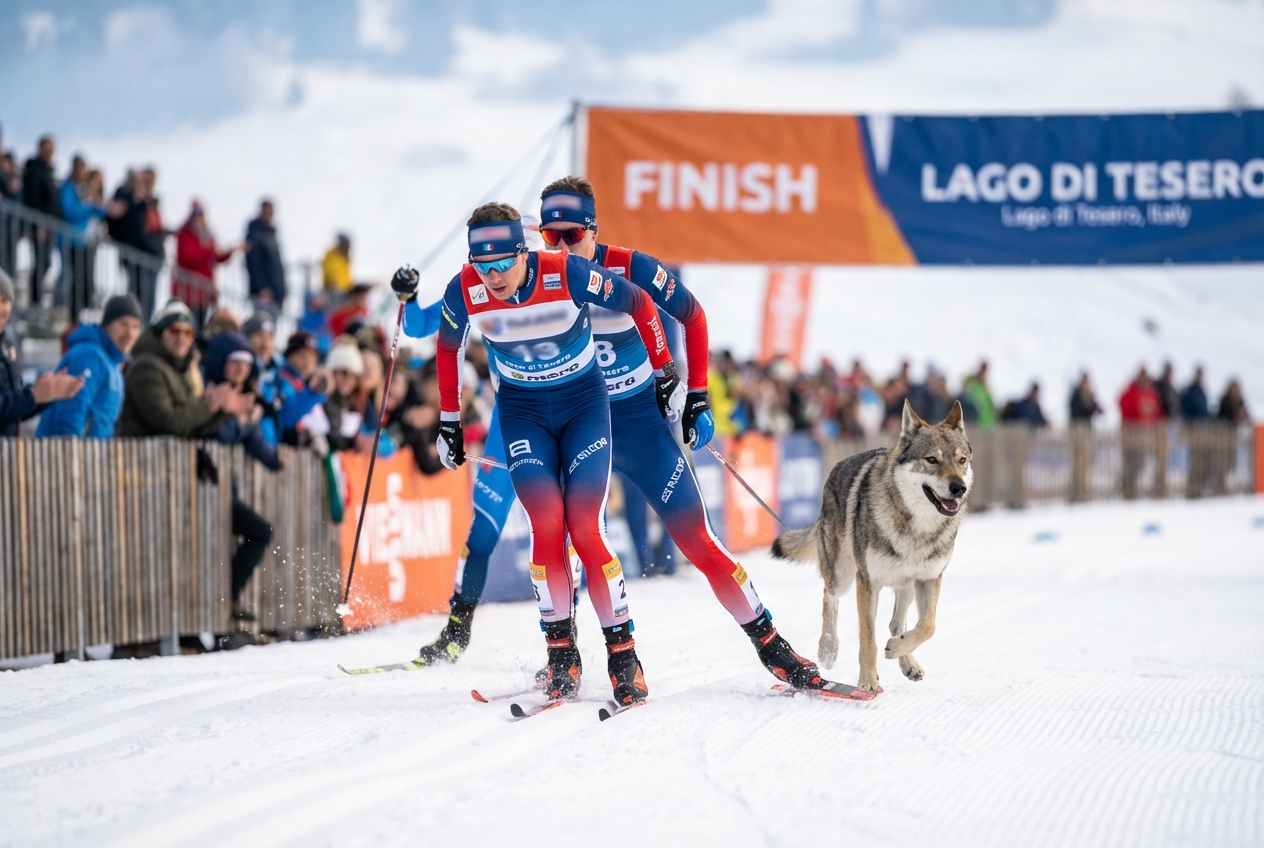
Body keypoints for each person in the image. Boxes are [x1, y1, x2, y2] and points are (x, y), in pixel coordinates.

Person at [397, 183, 831, 697]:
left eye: (570, 235)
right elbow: (447, 324)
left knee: (698, 542)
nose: (558, 246)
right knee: (566, 534)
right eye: (549, 236)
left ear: (593, 231)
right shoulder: (527, 276)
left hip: (635, 423)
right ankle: (566, 654)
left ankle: (773, 647)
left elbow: (690, 315)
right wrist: (408, 307)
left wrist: (693, 396)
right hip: (562, 417)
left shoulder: (627, 269)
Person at [395, 200, 685, 707]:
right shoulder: (480, 272)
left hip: (571, 404)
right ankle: (459, 631)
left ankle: (590, 646)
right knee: (491, 530)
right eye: (485, 263)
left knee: (575, 528)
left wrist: (662, 371)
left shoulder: (554, 265)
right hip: (515, 418)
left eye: (513, 257)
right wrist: (409, 297)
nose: (497, 273)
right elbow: (430, 329)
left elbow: (625, 301)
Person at [199, 331, 275, 621]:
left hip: (219, 488)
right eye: (235, 362)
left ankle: (226, 604)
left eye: (246, 363)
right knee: (258, 532)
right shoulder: (211, 388)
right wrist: (241, 422)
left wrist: (274, 457)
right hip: (202, 486)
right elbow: (216, 431)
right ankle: (224, 605)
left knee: (259, 532)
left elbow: (252, 438)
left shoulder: (242, 396)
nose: (241, 369)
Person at [115, 300, 254, 438]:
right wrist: (208, 406)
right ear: (161, 333)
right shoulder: (146, 367)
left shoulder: (179, 369)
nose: (181, 338)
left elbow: (191, 428)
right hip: (140, 456)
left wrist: (221, 410)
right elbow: (167, 422)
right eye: (175, 331)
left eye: (188, 333)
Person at [36, 294, 142, 438]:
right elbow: (71, 411)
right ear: (108, 324)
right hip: (69, 455)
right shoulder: (89, 355)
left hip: (92, 455)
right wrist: (70, 454)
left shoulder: (113, 363)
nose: (130, 334)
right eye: (124, 324)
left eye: (135, 327)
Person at [0, 268, 83, 435]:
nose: (2, 308)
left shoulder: (7, 345)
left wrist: (46, 393)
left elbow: (13, 410)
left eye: (5, 300)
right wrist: (34, 395)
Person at [174, 201, 237, 330]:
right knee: (191, 324)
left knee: (202, 325)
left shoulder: (207, 235)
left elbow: (216, 257)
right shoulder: (184, 234)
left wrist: (231, 251)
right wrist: (206, 249)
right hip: (189, 290)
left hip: (205, 291)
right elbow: (186, 258)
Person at [21, 135, 61, 305]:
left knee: (46, 263)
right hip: (39, 224)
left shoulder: (48, 170)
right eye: (47, 149)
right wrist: (38, 225)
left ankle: (36, 300)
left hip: (48, 225)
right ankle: (34, 301)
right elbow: (33, 199)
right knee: (41, 262)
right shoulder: (35, 169)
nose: (50, 153)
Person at [1118, 367, 1163, 500]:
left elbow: (1157, 411)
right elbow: (1124, 404)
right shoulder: (1131, 391)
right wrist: (1138, 410)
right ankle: (1127, 489)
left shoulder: (1151, 392)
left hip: (1145, 435)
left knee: (1140, 463)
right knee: (1130, 463)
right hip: (1131, 433)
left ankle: (1133, 489)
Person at [245, 199, 285, 317]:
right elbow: (254, 263)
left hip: (276, 293)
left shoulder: (271, 233)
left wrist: (281, 293)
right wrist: (261, 288)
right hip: (263, 293)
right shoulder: (255, 234)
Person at [1068, 372, 1102, 502]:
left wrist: (1096, 409)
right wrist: (1091, 408)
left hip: (1087, 433)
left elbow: (1093, 409)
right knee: (1077, 464)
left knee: (1086, 463)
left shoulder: (1090, 396)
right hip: (1077, 433)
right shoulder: (1076, 396)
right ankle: (1076, 492)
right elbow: (1078, 411)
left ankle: (1084, 490)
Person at [1180, 367, 1214, 498]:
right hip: (1193, 429)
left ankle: (1200, 487)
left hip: (1203, 429)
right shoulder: (1189, 391)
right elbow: (1184, 408)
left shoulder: (1202, 391)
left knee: (1203, 460)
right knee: (1193, 460)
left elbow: (1204, 410)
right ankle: (1192, 488)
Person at [961, 361, 996, 429]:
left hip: (987, 422)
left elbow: (990, 405)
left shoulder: (986, 387)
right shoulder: (972, 383)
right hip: (975, 421)